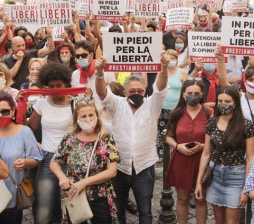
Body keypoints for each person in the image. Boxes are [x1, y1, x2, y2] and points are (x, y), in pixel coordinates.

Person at [95, 52, 170, 224]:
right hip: (119, 167)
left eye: (140, 90)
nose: (136, 93)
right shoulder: (117, 104)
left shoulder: (152, 104)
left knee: (145, 211)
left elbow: (160, 87)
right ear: (125, 92)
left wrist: (164, 67)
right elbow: (102, 93)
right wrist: (99, 73)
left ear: (145, 91)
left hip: (144, 166)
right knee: (119, 208)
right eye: (132, 91)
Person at [51, 97, 120, 223]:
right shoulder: (70, 138)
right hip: (74, 194)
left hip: (99, 194)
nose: (88, 119)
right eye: (83, 116)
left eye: (91, 115)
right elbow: (54, 161)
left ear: (96, 116)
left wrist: (85, 182)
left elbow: (112, 171)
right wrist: (62, 177)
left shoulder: (106, 138)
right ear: (77, 119)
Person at [195, 85, 254, 224]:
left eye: (227, 102)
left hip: (236, 176)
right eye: (220, 101)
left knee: (231, 222)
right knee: (219, 220)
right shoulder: (212, 122)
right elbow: (206, 153)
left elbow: (250, 158)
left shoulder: (246, 125)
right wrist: (199, 182)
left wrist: (246, 188)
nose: (223, 105)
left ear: (235, 102)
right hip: (215, 174)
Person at [0, 91, 42, 224]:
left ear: (13, 111)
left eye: (5, 111)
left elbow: (35, 159)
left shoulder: (24, 132)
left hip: (12, 196)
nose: (0, 115)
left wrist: (25, 163)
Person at [27, 63, 76, 224]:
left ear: (66, 84)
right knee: (44, 206)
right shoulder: (42, 103)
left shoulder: (75, 103)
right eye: (51, 86)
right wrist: (20, 104)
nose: (55, 89)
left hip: (71, 159)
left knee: (74, 207)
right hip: (48, 158)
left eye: (59, 85)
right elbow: (30, 128)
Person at [164, 79, 211, 224]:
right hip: (181, 160)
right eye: (190, 93)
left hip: (202, 161)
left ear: (202, 94)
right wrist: (178, 147)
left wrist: (203, 146)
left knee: (201, 198)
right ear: (183, 94)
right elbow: (169, 137)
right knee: (182, 198)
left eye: (196, 93)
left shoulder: (209, 112)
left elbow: (215, 138)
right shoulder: (177, 113)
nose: (193, 95)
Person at [158, 48, 188, 159]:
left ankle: (175, 152)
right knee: (161, 132)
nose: (170, 60)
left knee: (175, 131)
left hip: (176, 108)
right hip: (162, 107)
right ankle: (161, 154)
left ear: (176, 59)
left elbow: (186, 89)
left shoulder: (182, 72)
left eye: (173, 58)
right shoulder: (161, 71)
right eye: (168, 58)